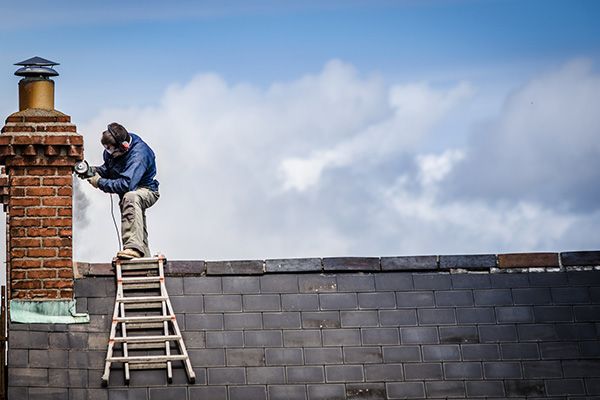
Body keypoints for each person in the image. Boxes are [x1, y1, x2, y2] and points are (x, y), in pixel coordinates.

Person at [87, 122, 160, 259]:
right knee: (136, 223)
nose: (108, 153)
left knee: (131, 197)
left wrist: (99, 182)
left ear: (124, 147)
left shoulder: (139, 155)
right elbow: (109, 169)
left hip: (146, 190)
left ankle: (133, 248)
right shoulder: (114, 150)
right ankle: (143, 257)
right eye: (106, 149)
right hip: (129, 194)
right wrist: (93, 171)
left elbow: (126, 184)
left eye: (111, 150)